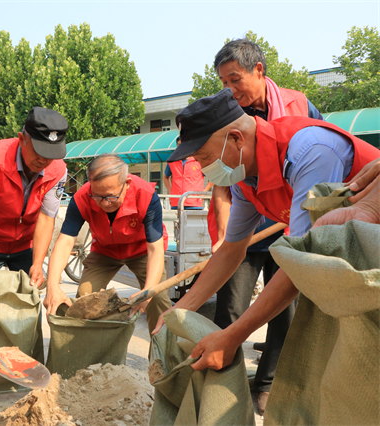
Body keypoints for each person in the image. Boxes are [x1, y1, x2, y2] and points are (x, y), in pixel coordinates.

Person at [152, 89, 379, 392]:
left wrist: (233, 336)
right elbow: (232, 250)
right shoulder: (245, 176)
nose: (204, 169)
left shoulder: (310, 151)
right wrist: (180, 311)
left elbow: (302, 263)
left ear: (236, 138)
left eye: (204, 158)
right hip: (343, 258)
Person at [206, 38, 326, 413]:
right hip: (249, 224)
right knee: (231, 307)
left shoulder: (299, 106)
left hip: (292, 222)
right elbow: (224, 186)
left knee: (284, 311)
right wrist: (226, 237)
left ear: (259, 70)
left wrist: (297, 219)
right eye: (223, 82)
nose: (230, 90)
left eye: (235, 79)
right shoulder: (228, 116)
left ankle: (268, 382)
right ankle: (225, 379)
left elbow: (322, 165)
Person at [0, 106, 67, 331]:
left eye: (50, 155)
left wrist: (38, 263)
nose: (44, 161)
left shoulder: (58, 170)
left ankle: (21, 357)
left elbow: (46, 218)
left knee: (27, 301)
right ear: (22, 139)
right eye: (39, 152)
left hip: (25, 245)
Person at [44, 154, 170, 333]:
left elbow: (155, 249)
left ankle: (161, 358)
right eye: (97, 196)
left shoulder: (146, 196)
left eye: (110, 197)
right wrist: (52, 285)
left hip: (141, 250)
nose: (104, 203)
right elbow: (65, 241)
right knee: (85, 298)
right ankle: (94, 353)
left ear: (126, 183)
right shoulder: (81, 198)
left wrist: (148, 291)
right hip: (104, 250)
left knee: (156, 298)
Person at [163, 136, 212, 209]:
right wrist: (170, 193)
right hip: (176, 202)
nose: (182, 147)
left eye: (184, 144)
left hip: (194, 203)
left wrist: (203, 192)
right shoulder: (172, 161)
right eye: (179, 145)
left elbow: (214, 177)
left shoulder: (199, 160)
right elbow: (165, 177)